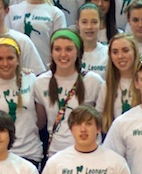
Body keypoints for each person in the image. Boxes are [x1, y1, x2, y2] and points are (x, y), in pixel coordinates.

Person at [34, 29, 105, 157]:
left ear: (78, 52)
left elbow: (101, 120)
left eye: (68, 49)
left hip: (89, 152)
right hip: (56, 154)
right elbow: (40, 122)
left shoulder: (93, 81)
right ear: (51, 52)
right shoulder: (40, 82)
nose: (63, 54)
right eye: (57, 49)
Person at [0, 37, 43, 165]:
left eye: (10, 58)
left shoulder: (31, 79)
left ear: (18, 59)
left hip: (29, 153)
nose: (5, 63)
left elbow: (40, 119)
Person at [8, 0, 67, 66]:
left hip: (45, 72)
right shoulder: (12, 11)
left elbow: (60, 47)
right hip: (16, 71)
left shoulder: (56, 14)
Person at [99, 33, 139, 129]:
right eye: (115, 52)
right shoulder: (107, 86)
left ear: (135, 52)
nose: (120, 56)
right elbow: (99, 117)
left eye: (125, 50)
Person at [78, 4, 109, 76]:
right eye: (84, 22)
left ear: (101, 24)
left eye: (94, 22)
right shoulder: (70, 53)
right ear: (77, 24)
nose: (89, 27)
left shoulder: (108, 54)